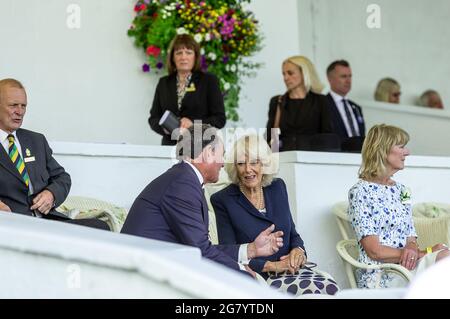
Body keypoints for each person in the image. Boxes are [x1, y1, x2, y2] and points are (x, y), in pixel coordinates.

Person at [121, 124, 284, 276]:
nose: (222, 164)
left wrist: (252, 250)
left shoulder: (184, 178)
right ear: (208, 153)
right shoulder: (183, 184)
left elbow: (199, 247)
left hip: (154, 269)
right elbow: (201, 251)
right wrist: (242, 271)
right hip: (145, 276)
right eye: (222, 154)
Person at [211, 134, 339, 296]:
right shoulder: (223, 200)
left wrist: (298, 251)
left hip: (293, 271)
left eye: (254, 162)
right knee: (316, 289)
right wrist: (272, 266)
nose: (248, 169)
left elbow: (292, 233)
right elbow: (229, 252)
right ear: (235, 167)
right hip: (259, 276)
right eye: (241, 164)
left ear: (264, 165)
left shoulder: (277, 187)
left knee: (330, 286)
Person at [348, 124, 450, 289]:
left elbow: (410, 234)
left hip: (409, 266)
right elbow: (374, 251)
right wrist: (425, 253)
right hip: (382, 274)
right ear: (382, 150)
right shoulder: (359, 192)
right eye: (401, 147)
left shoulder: (403, 191)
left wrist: (412, 246)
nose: (407, 152)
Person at [0, 79, 109, 230]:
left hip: (48, 221)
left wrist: (51, 194)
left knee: (100, 227)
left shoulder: (36, 140)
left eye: (23, 106)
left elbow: (62, 178)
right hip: (14, 226)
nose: (20, 111)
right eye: (13, 105)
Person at [148, 34, 226, 145]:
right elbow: (153, 118)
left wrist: (193, 125)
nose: (183, 57)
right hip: (170, 148)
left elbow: (219, 119)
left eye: (188, 52)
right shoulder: (164, 83)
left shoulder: (209, 81)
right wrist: (165, 128)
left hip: (201, 149)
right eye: (179, 53)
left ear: (195, 56)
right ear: (173, 58)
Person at [266, 56, 335, 152]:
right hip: (284, 159)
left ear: (304, 73)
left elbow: (327, 137)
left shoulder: (321, 101)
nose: (286, 78)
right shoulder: (277, 102)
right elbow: (271, 139)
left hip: (312, 159)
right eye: (284, 74)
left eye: (290, 73)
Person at [326, 60, 365, 151]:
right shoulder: (323, 104)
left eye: (350, 76)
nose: (348, 81)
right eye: (343, 76)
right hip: (336, 156)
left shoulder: (356, 108)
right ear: (330, 79)